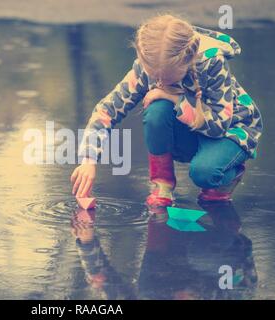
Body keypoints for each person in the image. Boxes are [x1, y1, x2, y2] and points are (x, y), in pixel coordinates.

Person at [71, 14, 263, 206]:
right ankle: (162, 184)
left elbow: (218, 127)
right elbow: (106, 111)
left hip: (231, 132)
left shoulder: (212, 64)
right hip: (194, 127)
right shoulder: (149, 66)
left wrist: (174, 98)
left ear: (186, 60)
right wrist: (88, 160)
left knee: (203, 174)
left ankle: (228, 175)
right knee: (157, 109)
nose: (159, 81)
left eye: (167, 77)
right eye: (155, 76)